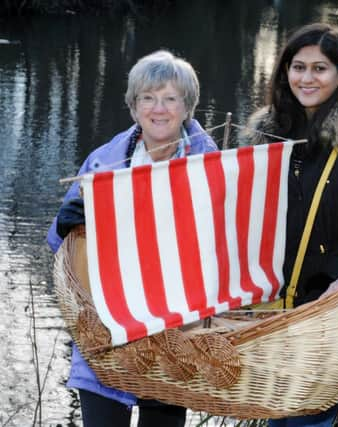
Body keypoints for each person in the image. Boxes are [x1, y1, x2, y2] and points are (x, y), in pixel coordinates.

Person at [47, 50, 218, 427]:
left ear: (186, 106)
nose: (159, 109)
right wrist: (64, 224)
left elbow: (225, 251)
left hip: (174, 338)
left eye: (170, 98)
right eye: (148, 98)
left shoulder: (212, 168)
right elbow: (60, 249)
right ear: (133, 106)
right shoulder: (102, 162)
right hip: (105, 337)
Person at [240, 23, 338, 427]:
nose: (307, 78)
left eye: (320, 68)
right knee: (275, 412)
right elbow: (241, 212)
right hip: (270, 303)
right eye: (298, 66)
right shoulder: (268, 134)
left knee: (309, 414)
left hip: (327, 304)